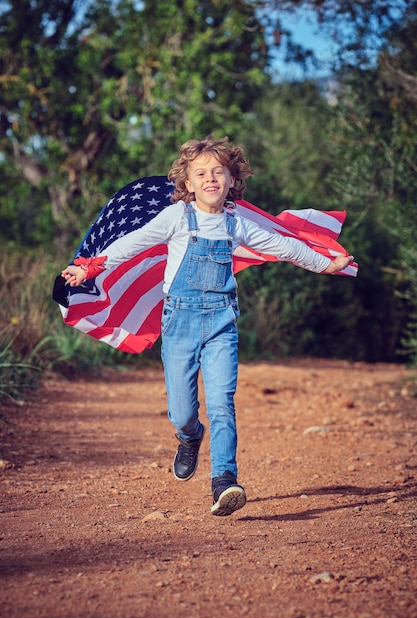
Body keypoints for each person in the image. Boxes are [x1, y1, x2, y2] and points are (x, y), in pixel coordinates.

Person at [61, 135, 354, 517]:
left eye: (219, 172)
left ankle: (225, 480)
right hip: (179, 321)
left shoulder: (236, 223)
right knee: (181, 411)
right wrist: (89, 266)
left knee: (221, 403)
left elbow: (284, 247)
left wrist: (324, 263)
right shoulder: (177, 217)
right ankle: (189, 436)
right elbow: (131, 244)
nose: (211, 179)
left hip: (221, 321)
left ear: (232, 180)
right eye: (202, 173)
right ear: (188, 182)